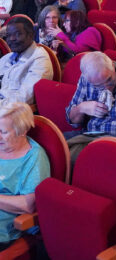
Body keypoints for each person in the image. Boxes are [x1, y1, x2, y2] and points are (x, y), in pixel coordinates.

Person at [0, 101, 50, 251]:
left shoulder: (34, 158)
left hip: (6, 227)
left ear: (22, 131)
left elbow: (28, 205)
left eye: (4, 132)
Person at [0, 17, 53, 104]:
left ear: (31, 35)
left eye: (17, 34)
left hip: (14, 112)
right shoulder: (7, 58)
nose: (11, 39)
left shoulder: (39, 58)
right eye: (8, 35)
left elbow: (24, 98)